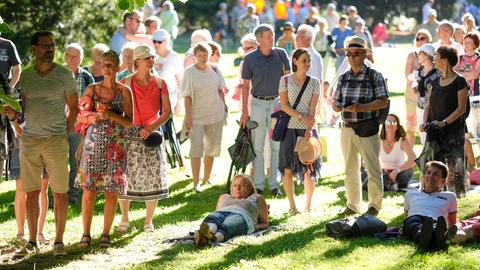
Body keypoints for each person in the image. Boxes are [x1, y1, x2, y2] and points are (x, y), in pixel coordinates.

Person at [10, 30, 79, 257]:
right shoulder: (27, 76)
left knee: (60, 193)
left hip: (55, 141)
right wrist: (17, 122)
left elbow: (74, 109)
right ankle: (32, 240)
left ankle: (58, 241)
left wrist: (63, 133)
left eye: (52, 45)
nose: (49, 49)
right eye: (44, 45)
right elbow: (25, 108)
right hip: (30, 142)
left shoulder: (64, 75)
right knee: (31, 193)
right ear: (34, 49)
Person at [75, 50, 133, 248]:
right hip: (92, 144)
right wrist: (90, 117)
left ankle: (106, 234)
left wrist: (111, 115)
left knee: (111, 191)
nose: (106, 69)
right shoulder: (92, 89)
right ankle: (85, 234)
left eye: (110, 65)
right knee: (89, 190)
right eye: (104, 64)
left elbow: (129, 121)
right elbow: (79, 116)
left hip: (116, 146)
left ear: (117, 68)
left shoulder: (125, 91)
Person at [332, 36, 388, 216]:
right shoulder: (344, 77)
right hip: (347, 127)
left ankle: (374, 206)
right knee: (350, 170)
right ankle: (353, 204)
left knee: (372, 169)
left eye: (356, 53)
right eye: (349, 54)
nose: (352, 57)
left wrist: (361, 107)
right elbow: (336, 103)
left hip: (367, 128)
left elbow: (383, 101)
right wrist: (337, 106)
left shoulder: (375, 75)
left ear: (364, 54)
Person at [117, 45, 171, 233]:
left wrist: (150, 128)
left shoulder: (160, 83)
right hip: (130, 136)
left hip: (152, 135)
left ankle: (149, 221)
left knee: (153, 176)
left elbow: (167, 113)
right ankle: (124, 219)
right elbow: (120, 111)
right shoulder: (125, 82)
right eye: (147, 57)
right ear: (137, 61)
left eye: (152, 57)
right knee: (125, 178)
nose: (151, 60)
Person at [240, 24, 291, 196]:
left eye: (272, 35)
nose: (272, 38)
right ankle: (259, 185)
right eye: (268, 36)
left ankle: (274, 184)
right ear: (259, 39)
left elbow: (288, 80)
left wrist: (286, 105)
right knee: (258, 146)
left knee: (276, 146)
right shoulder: (250, 59)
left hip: (277, 103)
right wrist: (244, 112)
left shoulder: (281, 54)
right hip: (257, 104)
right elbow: (245, 87)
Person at [421, 46, 469, 198]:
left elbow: (461, 108)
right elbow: (428, 105)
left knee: (454, 168)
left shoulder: (460, 81)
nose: (433, 58)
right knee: (434, 166)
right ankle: (434, 198)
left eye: (436, 56)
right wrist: (424, 122)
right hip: (435, 132)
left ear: (445, 60)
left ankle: (452, 200)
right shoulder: (434, 82)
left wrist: (445, 122)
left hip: (453, 132)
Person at [278, 48, 321, 214]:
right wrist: (302, 118)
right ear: (295, 61)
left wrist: (309, 127)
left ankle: (308, 205)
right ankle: (292, 206)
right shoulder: (285, 80)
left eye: (309, 61)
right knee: (287, 169)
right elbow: (284, 105)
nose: (307, 64)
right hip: (289, 129)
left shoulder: (314, 82)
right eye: (304, 60)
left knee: (309, 169)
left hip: (307, 130)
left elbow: (313, 108)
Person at [180, 42, 226, 192]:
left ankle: (206, 179)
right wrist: (188, 117)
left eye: (205, 54)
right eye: (199, 55)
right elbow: (187, 96)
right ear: (195, 56)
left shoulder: (215, 68)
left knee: (211, 148)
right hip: (196, 116)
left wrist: (224, 107)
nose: (203, 57)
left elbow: (220, 90)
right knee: (196, 149)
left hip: (214, 114)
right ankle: (195, 182)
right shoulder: (189, 72)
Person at [194, 174, 269, 245]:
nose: (238, 188)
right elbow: (217, 212)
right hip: (222, 212)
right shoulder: (224, 197)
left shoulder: (256, 198)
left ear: (250, 188)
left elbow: (265, 223)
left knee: (229, 224)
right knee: (214, 218)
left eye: (242, 185)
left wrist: (255, 227)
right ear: (232, 188)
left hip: (242, 215)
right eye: (235, 185)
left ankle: (213, 238)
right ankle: (208, 232)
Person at [64, 43, 95, 205]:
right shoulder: (57, 74)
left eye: (77, 56)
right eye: (70, 55)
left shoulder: (86, 77)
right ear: (65, 56)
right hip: (59, 125)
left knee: (76, 162)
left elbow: (92, 102)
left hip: (78, 125)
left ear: (82, 58)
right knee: (58, 162)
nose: (74, 59)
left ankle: (73, 195)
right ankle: (58, 196)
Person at [402, 161, 457, 250]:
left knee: (435, 226)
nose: (431, 176)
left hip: (436, 221)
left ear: (443, 181)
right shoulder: (410, 194)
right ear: (424, 176)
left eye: (436, 174)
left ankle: (430, 237)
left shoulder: (450, 196)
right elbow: (406, 217)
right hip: (414, 219)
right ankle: (432, 238)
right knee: (413, 224)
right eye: (428, 173)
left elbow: (452, 223)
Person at [366, 114, 416, 191]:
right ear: (384, 125)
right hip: (382, 173)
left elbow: (413, 159)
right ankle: (390, 185)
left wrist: (396, 171)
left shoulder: (402, 141)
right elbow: (369, 158)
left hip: (398, 174)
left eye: (394, 122)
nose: (390, 124)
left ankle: (383, 184)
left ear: (397, 127)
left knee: (408, 173)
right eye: (388, 122)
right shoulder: (377, 140)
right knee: (366, 173)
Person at [455, 33, 480, 172]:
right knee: (466, 133)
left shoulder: (479, 57)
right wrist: (467, 74)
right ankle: (472, 164)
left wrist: (461, 74)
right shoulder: (460, 58)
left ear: (475, 44)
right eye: (465, 42)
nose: (466, 45)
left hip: (475, 96)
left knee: (479, 131)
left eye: (469, 42)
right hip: (462, 96)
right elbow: (454, 72)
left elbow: (475, 75)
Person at [404, 29, 432, 146]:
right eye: (417, 39)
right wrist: (416, 88)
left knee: (427, 124)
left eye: (423, 38)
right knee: (411, 127)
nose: (420, 41)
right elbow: (408, 74)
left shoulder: (433, 55)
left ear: (429, 40)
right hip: (412, 96)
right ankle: (411, 157)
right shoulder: (412, 55)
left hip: (429, 99)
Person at [414, 43, 441, 145]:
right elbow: (416, 91)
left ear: (426, 55)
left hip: (434, 109)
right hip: (420, 107)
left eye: (419, 54)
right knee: (423, 137)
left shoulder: (438, 72)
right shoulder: (417, 72)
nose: (417, 56)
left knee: (435, 137)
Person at [152, 29, 182, 114]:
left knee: (166, 125)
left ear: (166, 42)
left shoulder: (174, 57)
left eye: (159, 41)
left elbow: (180, 81)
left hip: (170, 97)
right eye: (154, 41)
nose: (156, 44)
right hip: (153, 97)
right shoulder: (151, 56)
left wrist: (179, 102)